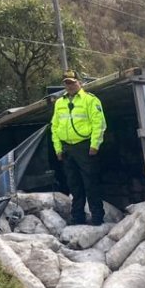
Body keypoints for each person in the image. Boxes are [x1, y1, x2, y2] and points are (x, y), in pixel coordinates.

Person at [51, 70, 107, 225]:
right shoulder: (59, 102)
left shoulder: (90, 100)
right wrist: (58, 148)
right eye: (66, 83)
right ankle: (78, 217)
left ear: (79, 83)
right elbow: (54, 127)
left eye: (72, 82)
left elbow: (99, 124)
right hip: (67, 148)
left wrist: (94, 145)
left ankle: (97, 217)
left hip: (84, 146)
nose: (69, 85)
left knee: (91, 183)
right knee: (74, 184)